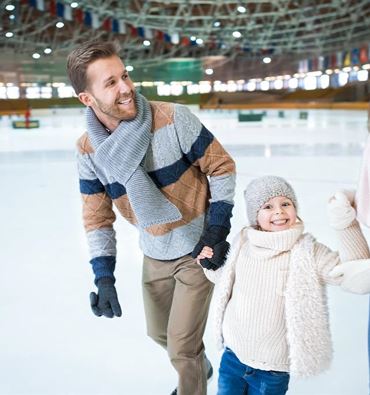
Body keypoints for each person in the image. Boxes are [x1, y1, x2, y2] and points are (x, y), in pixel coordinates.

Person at [66, 40, 236, 395]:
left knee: (182, 347)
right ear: (87, 98)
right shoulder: (89, 150)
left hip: (197, 249)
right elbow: (97, 217)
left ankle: (191, 384)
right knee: (159, 334)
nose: (126, 87)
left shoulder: (173, 118)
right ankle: (198, 370)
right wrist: (104, 276)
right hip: (154, 250)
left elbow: (220, 167)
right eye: (110, 83)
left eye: (124, 75)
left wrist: (217, 229)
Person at [196, 175, 370, 395]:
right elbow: (226, 282)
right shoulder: (243, 242)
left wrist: (344, 222)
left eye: (285, 204)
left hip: (272, 372)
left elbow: (357, 277)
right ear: (255, 216)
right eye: (268, 206)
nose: (278, 211)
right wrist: (210, 264)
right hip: (232, 359)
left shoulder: (307, 252)